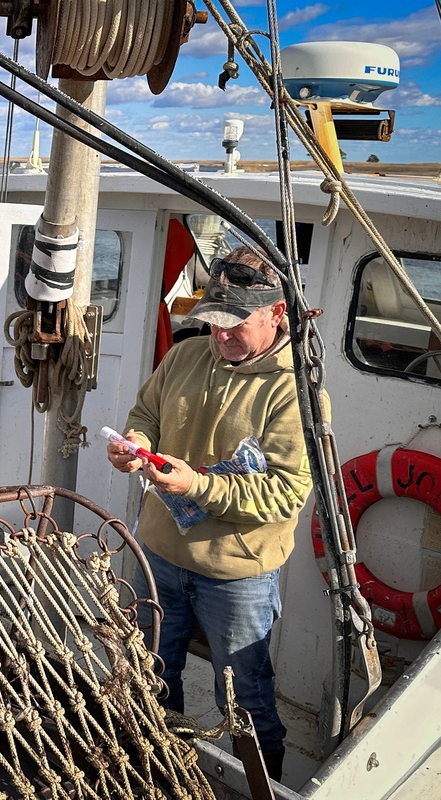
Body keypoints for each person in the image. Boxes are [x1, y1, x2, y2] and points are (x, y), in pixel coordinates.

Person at [106, 246, 319, 782]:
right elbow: (147, 412)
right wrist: (135, 442)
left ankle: (261, 786)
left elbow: (286, 493)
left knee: (246, 696)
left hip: (237, 573)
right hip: (158, 553)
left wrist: (196, 486)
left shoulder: (297, 390)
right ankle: (160, 771)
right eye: (213, 321)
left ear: (277, 313)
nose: (220, 335)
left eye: (235, 322)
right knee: (150, 671)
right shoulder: (185, 354)